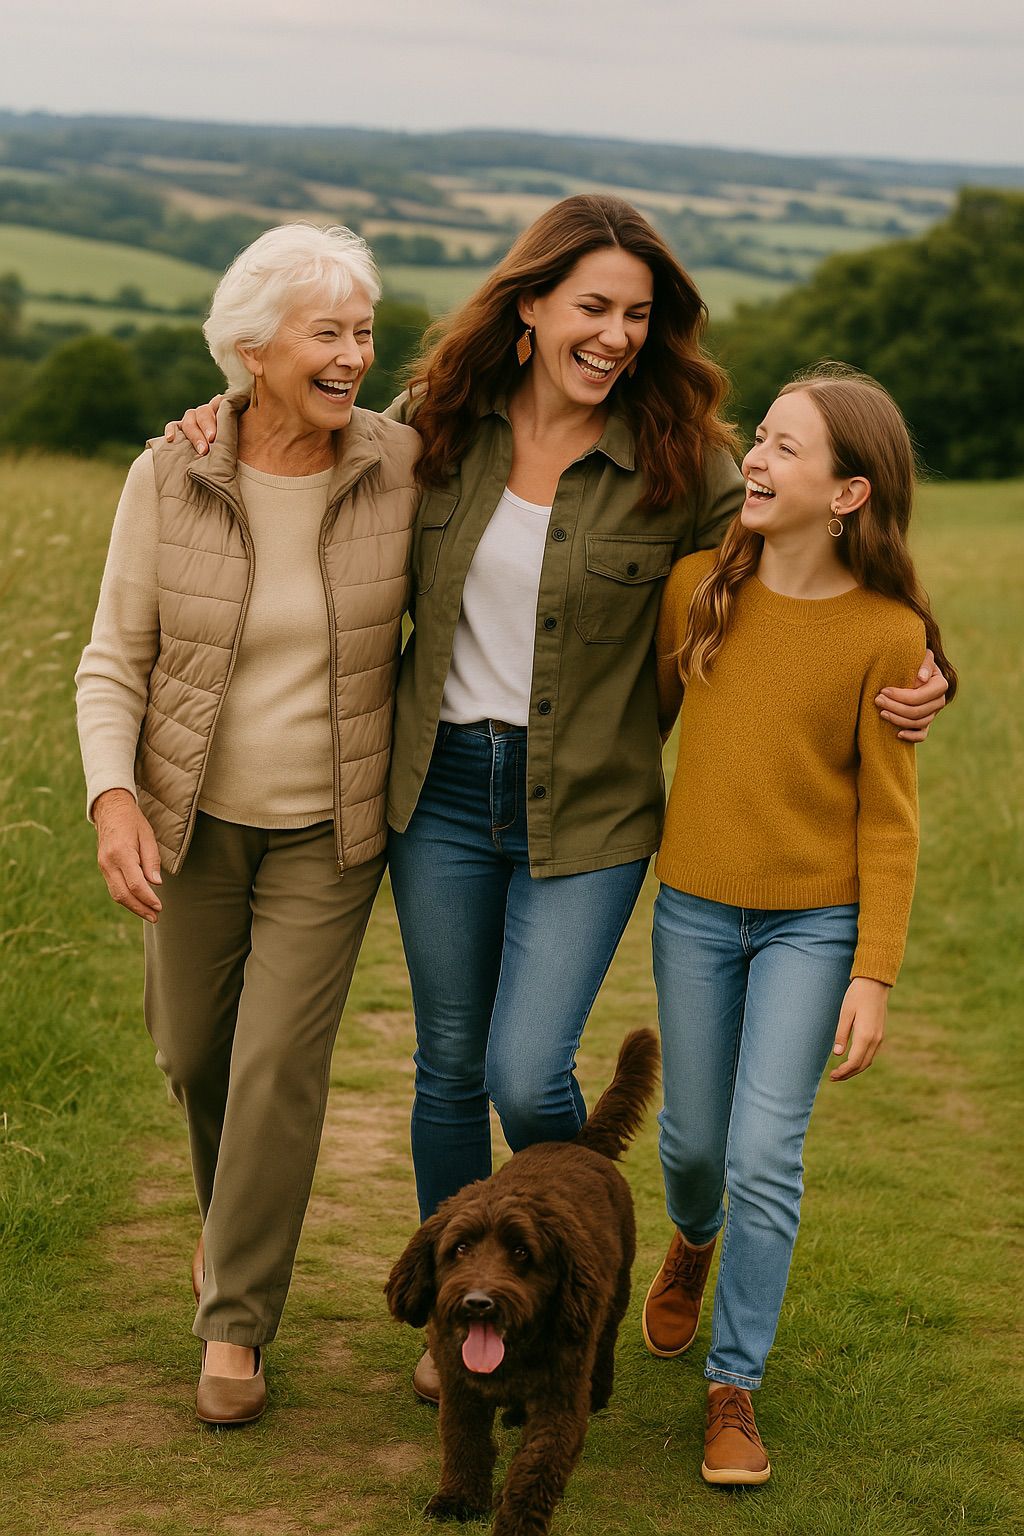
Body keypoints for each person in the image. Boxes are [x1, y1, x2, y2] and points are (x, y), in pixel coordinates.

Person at [167, 196, 949, 1406]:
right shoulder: (434, 426)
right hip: (438, 789)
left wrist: (924, 663)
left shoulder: (684, 462)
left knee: (527, 1072)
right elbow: (297, 444)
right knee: (445, 1067)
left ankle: (565, 1276)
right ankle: (463, 1319)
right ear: (529, 305)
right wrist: (217, 416)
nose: (617, 334)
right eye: (592, 306)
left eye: (637, 314)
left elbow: (810, 561)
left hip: (588, 806)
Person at [76, 223, 420, 1424]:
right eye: (327, 333)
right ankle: (233, 1223)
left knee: (276, 1067)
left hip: (331, 829)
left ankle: (235, 1324)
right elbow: (113, 658)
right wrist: (113, 796)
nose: (354, 355)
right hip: (193, 821)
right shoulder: (169, 474)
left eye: (363, 332)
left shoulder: (402, 466)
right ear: (253, 350)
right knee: (191, 1054)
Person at [640, 364, 957, 1485]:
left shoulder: (887, 634)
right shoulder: (697, 589)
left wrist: (873, 971)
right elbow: (638, 727)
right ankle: (693, 1239)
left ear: (848, 494)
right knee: (693, 1145)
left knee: (766, 1152)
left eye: (784, 447)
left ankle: (734, 1385)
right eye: (759, 437)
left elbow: (890, 819)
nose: (755, 460)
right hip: (693, 910)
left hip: (812, 928)